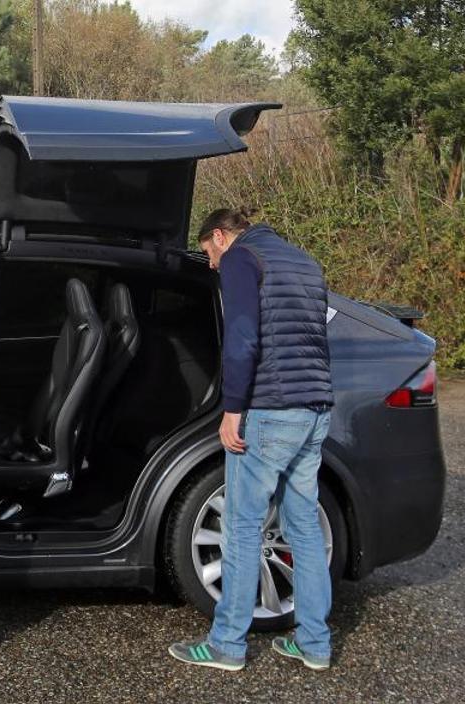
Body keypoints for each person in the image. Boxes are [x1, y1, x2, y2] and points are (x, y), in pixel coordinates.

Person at [168, 207, 335, 672]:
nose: (212, 263)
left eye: (209, 252)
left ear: (221, 237)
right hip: (315, 407)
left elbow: (243, 337)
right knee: (304, 527)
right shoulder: (304, 261)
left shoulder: (243, 258)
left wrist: (233, 409)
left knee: (242, 526)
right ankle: (315, 645)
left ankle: (227, 645)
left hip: (271, 409)